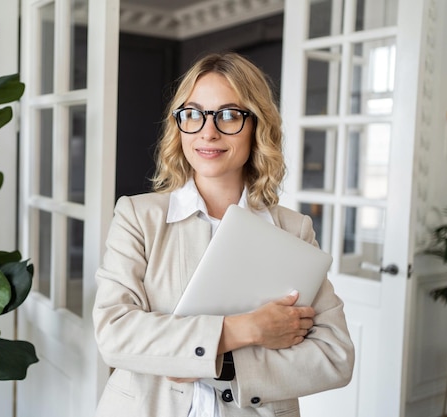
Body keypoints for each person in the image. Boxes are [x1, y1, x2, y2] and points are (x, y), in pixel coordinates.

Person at [92, 52, 354, 417]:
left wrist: (221, 365)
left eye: (229, 114)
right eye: (193, 114)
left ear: (257, 126)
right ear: (179, 124)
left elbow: (333, 355)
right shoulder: (138, 217)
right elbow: (115, 334)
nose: (208, 131)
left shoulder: (294, 230)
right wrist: (248, 329)